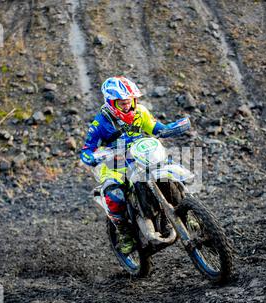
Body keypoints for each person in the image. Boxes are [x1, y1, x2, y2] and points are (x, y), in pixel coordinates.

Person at [80, 76, 191, 254]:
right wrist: (92, 157)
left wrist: (174, 127)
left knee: (170, 175)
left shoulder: (141, 112)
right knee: (114, 194)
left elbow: (157, 128)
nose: (127, 106)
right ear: (110, 103)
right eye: (122, 103)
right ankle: (125, 234)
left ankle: (188, 213)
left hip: (143, 155)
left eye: (130, 101)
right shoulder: (99, 124)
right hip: (115, 164)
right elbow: (87, 149)